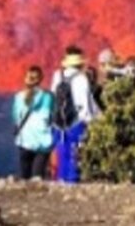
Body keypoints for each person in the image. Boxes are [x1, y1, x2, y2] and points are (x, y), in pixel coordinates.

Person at [50, 46, 100, 183]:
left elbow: (53, 99)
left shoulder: (57, 76)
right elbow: (85, 104)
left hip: (58, 125)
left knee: (61, 158)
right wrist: (93, 122)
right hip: (76, 125)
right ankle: (72, 187)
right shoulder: (81, 79)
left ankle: (61, 185)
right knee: (75, 159)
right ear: (80, 63)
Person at [12, 65, 54, 180]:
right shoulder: (48, 97)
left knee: (25, 178)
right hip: (43, 142)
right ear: (40, 79)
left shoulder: (18, 98)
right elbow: (51, 117)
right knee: (38, 178)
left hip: (25, 141)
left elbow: (16, 118)